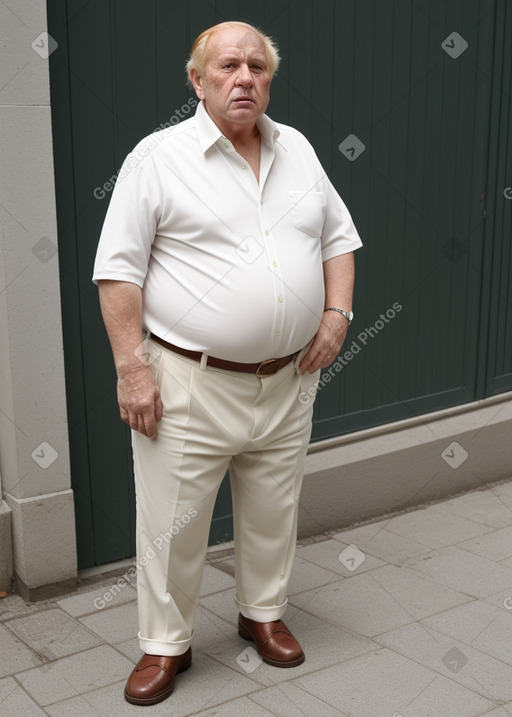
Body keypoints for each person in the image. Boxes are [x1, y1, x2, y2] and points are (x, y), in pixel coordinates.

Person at [93, 19, 362, 706]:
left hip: (287, 378)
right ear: (198, 80)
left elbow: (338, 236)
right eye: (227, 67)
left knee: (275, 506)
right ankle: (165, 645)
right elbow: (118, 272)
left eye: (256, 67)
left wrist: (337, 314)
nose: (243, 78)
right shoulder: (157, 158)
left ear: (269, 78)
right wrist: (132, 367)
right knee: (172, 521)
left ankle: (261, 613)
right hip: (187, 378)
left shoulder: (297, 149)